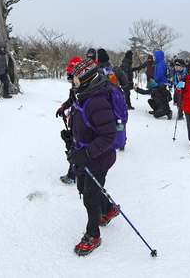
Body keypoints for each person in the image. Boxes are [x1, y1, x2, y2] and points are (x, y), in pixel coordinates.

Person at [65, 58, 119, 256]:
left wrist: (86, 152)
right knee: (82, 187)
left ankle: (93, 235)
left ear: (87, 78)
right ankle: (109, 209)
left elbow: (109, 136)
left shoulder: (97, 100)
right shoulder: (84, 94)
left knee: (89, 197)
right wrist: (71, 137)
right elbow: (84, 122)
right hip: (86, 155)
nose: (73, 82)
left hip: (98, 158)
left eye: (77, 79)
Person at [56, 56, 83, 184]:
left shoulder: (84, 87)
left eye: (72, 73)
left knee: (75, 145)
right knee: (70, 141)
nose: (70, 76)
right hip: (74, 119)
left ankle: (74, 173)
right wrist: (63, 107)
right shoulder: (75, 85)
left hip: (81, 123)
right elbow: (71, 100)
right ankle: (75, 170)